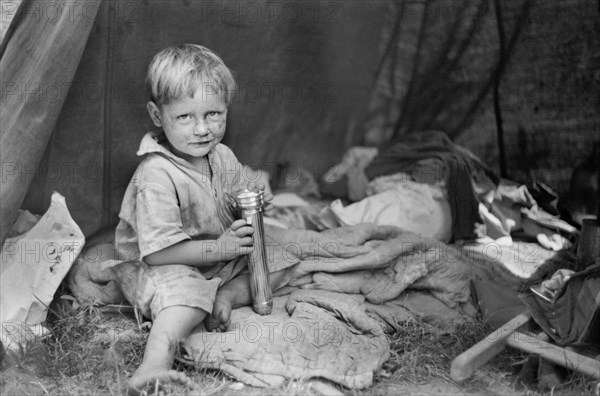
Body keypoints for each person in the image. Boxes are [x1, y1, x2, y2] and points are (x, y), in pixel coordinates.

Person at [114, 44, 284, 394]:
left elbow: (237, 199)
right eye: (185, 117)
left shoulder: (221, 155)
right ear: (158, 115)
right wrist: (218, 250)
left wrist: (254, 201)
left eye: (214, 114)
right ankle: (153, 366)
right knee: (185, 293)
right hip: (166, 266)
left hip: (219, 258)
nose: (202, 129)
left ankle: (228, 296)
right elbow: (157, 254)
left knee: (284, 249)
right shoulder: (157, 174)